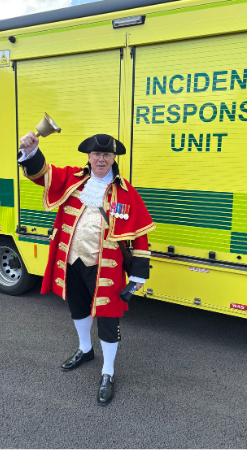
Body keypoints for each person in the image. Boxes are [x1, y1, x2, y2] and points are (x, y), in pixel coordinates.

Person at [18, 132, 155, 405]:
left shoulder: (126, 192)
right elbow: (43, 175)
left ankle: (108, 371)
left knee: (107, 317)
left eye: (106, 155)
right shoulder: (73, 179)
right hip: (72, 259)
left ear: (114, 158)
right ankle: (85, 349)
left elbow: (140, 234)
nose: (101, 159)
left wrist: (138, 274)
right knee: (77, 307)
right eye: (96, 155)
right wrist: (32, 151)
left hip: (106, 268)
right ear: (89, 157)